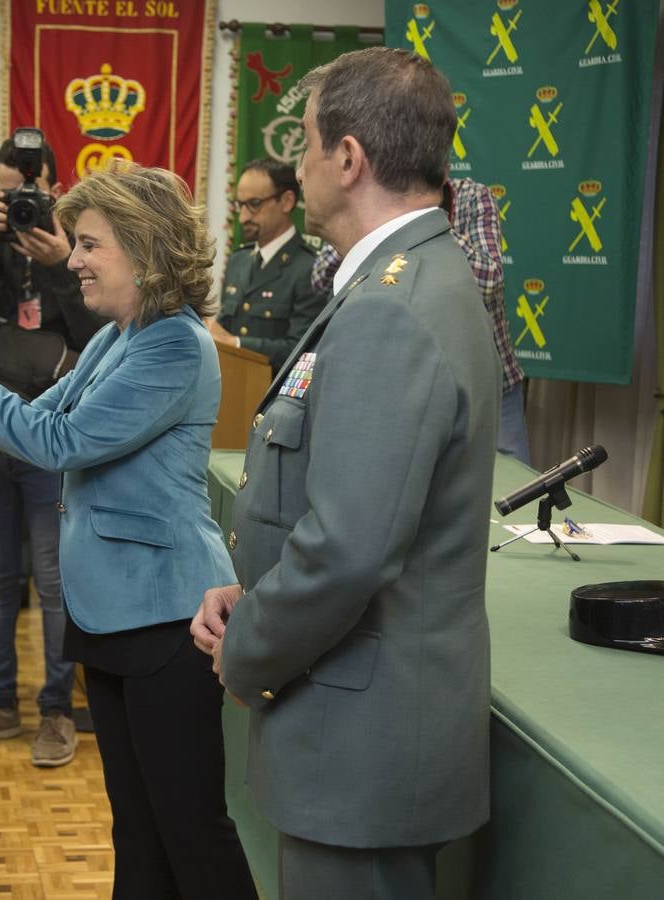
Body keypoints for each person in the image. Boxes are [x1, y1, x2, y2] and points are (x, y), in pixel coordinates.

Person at [191, 47, 499, 900]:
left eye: (306, 147)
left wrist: (249, 648)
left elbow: (348, 550)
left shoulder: (393, 309)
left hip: (361, 738)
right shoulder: (413, 279)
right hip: (372, 724)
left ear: (350, 159)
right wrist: (255, 592)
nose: (296, 167)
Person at [0, 163, 258, 899]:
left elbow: (60, 445)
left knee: (191, 832)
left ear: (141, 249)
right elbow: (47, 418)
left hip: (168, 616)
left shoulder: (174, 345)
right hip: (114, 610)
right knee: (138, 829)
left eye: (87, 245)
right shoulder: (123, 335)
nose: (70, 260)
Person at [0, 133, 104, 766]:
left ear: (53, 188)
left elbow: (99, 332)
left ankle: (56, 711)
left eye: (26, 192)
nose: (16, 203)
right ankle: (0, 703)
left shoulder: (80, 243)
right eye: (6, 192)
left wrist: (62, 260)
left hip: (53, 436)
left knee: (56, 582)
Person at [311, 175, 530, 462]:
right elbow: (320, 279)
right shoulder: (373, 203)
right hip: (407, 387)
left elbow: (489, 281)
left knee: (514, 492)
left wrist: (422, 219)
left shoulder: (471, 197)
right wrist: (377, 220)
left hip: (488, 383)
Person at [209, 159, 327, 371]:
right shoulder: (239, 259)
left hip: (275, 395)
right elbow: (224, 327)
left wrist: (237, 344)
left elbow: (303, 350)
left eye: (254, 204)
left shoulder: (309, 267)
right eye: (240, 205)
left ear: (286, 201)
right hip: (234, 386)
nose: (243, 217)